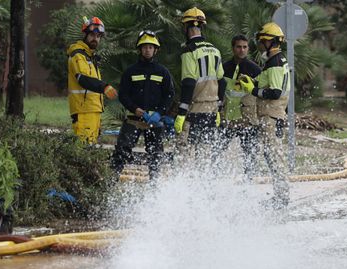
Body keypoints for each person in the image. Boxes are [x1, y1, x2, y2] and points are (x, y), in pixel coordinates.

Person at [237, 22, 290, 209]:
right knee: (270, 154)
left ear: (270, 42)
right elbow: (266, 82)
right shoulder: (273, 62)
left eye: (262, 41)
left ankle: (282, 198)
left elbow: (275, 92)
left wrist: (254, 91)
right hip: (269, 115)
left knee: (275, 156)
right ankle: (280, 195)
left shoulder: (275, 62)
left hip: (272, 115)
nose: (259, 45)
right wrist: (252, 82)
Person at [111, 30, 175, 180]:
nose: (148, 50)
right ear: (140, 49)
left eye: (151, 47)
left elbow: (169, 95)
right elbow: (123, 95)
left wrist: (160, 113)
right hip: (134, 119)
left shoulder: (163, 72)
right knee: (122, 150)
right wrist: (135, 109)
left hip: (155, 121)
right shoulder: (130, 72)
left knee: (155, 155)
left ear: (156, 50)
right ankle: (111, 181)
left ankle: (155, 186)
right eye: (145, 47)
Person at [174, 7, 225, 159]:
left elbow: (189, 83)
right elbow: (222, 82)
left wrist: (182, 113)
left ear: (186, 27)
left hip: (194, 110)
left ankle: (186, 182)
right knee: (205, 153)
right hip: (211, 110)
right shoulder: (215, 50)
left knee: (185, 152)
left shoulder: (189, 51)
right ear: (201, 27)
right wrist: (218, 108)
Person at [215, 34, 262, 183]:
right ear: (233, 48)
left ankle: (248, 183)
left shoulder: (255, 69)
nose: (242, 50)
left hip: (247, 119)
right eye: (238, 47)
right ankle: (213, 180)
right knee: (216, 151)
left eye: (244, 47)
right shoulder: (224, 68)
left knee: (250, 154)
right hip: (227, 118)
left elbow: (261, 94)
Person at [67, 16, 118, 144]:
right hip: (83, 111)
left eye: (99, 36)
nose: (95, 38)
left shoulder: (90, 57)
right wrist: (104, 87)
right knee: (83, 149)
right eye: (92, 35)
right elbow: (83, 79)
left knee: (89, 149)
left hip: (92, 110)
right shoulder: (78, 55)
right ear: (86, 34)